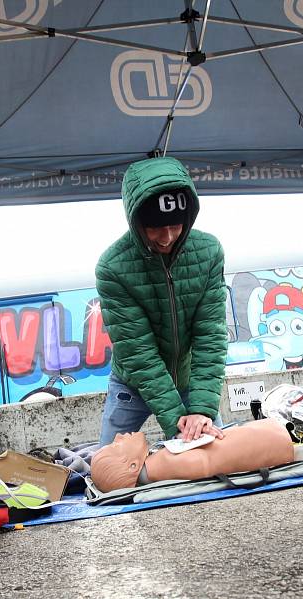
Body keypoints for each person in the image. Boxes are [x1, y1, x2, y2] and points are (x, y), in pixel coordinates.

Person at [95, 156, 228, 446]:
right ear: (136, 221)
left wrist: (201, 410)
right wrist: (175, 421)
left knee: (216, 455)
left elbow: (211, 335)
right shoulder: (113, 267)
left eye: (175, 225)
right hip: (133, 383)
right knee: (107, 467)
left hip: (191, 379)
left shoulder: (209, 252)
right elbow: (139, 353)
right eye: (155, 227)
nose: (167, 238)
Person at [90, 419, 295, 492]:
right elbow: (205, 463)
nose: (118, 436)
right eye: (116, 446)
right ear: (134, 466)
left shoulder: (160, 463)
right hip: (275, 439)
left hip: (271, 438)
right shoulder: (164, 464)